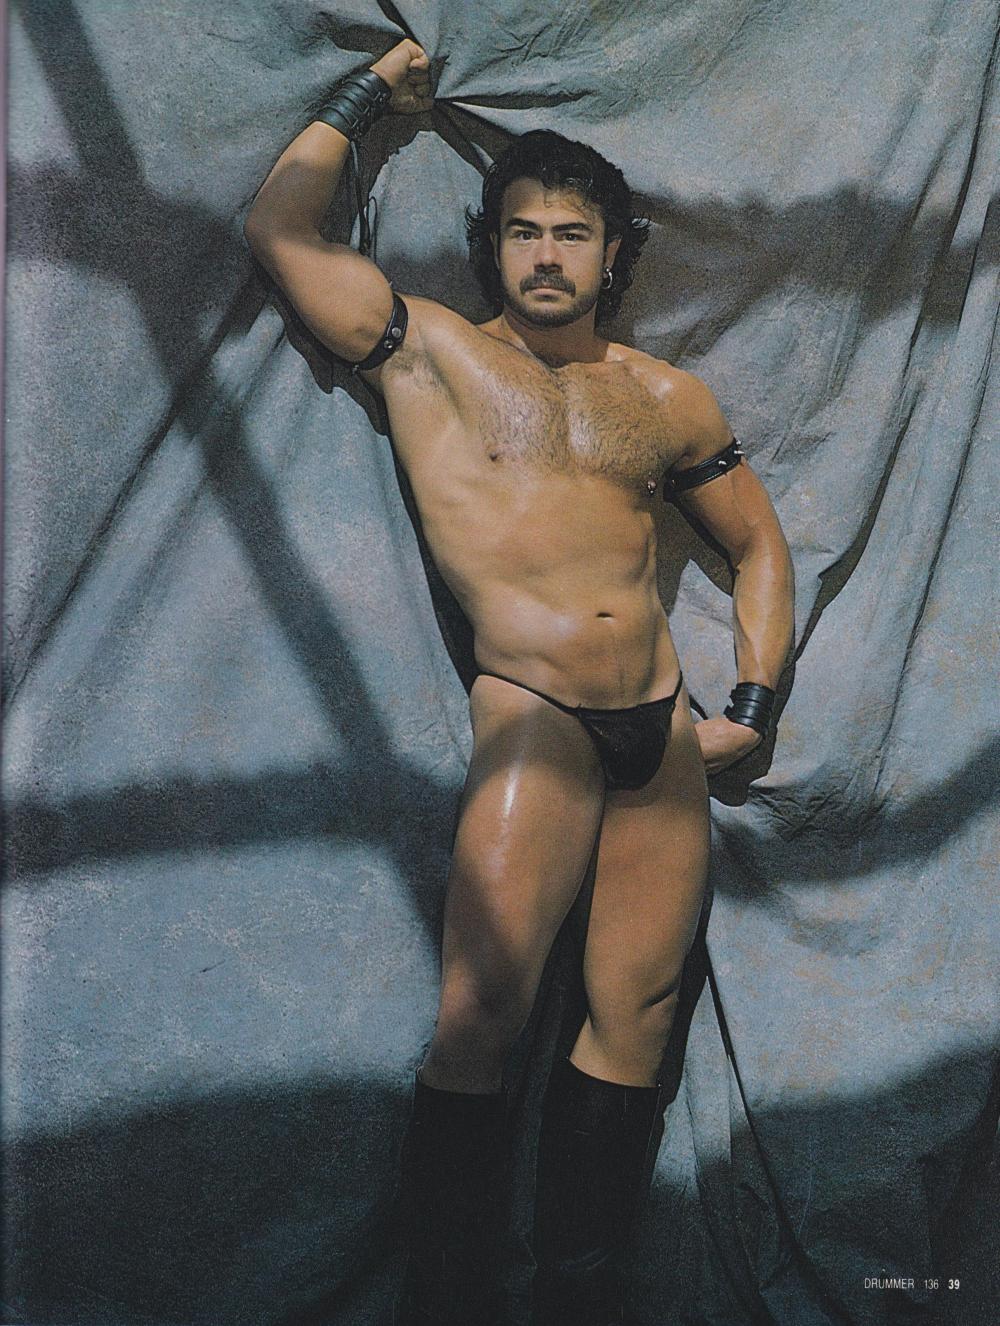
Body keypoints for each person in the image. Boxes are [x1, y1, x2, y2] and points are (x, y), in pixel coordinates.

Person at [245, 36, 794, 1326]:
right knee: (482, 1011)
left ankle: (579, 1294)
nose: (548, 256)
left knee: (639, 1012)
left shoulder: (668, 399)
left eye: (574, 235)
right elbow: (279, 229)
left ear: (614, 253)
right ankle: (448, 1300)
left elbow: (761, 547)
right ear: (492, 247)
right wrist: (372, 92)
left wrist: (752, 703)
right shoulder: (428, 350)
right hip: (534, 711)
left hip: (660, 728)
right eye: (525, 232)